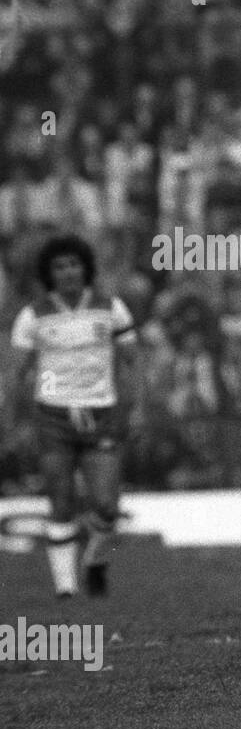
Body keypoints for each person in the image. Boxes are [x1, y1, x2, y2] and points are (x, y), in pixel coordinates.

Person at [10, 235, 139, 596]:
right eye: (60, 267)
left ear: (85, 268)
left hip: (101, 413)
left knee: (107, 505)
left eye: (74, 264)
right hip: (53, 416)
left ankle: (95, 558)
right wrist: (14, 419)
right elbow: (17, 374)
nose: (68, 272)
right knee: (61, 501)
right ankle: (66, 589)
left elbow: (131, 360)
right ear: (49, 274)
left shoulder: (110, 307)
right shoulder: (32, 315)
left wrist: (136, 406)